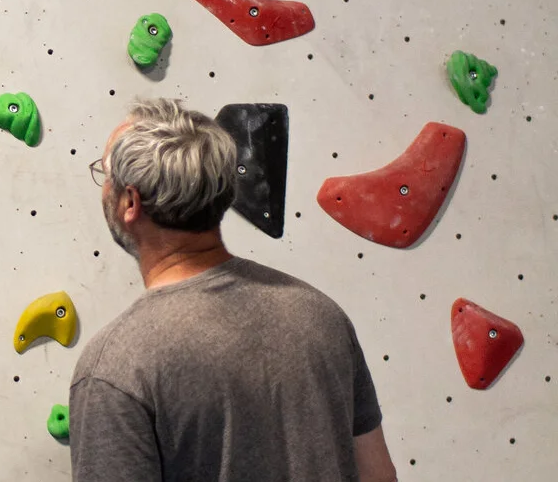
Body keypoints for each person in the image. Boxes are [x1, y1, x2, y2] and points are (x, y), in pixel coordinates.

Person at [70, 99, 398, 482]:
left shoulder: (117, 366)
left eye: (104, 173)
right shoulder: (320, 316)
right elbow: (380, 476)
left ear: (130, 202)